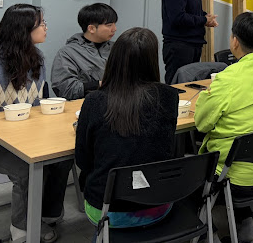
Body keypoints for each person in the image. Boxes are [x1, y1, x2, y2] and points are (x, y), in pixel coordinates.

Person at [195, 12, 253, 243]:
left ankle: (208, 234)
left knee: (191, 175)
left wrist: (205, 97)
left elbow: (202, 123)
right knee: (243, 146)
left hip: (236, 180)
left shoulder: (228, 78)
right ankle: (244, 222)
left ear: (235, 41)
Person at [75, 27, 178, 231]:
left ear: (114, 59)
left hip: (106, 210)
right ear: (152, 60)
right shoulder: (169, 96)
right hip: (157, 205)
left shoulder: (94, 101)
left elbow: (83, 160)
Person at [0, 4, 71, 243]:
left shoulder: (37, 58)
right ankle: (22, 231)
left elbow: (44, 99)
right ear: (23, 29)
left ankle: (45, 216)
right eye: (41, 24)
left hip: (31, 137)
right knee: (26, 169)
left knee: (62, 159)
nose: (46, 28)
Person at [51, 3, 118, 100]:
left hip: (120, 103)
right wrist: (98, 84)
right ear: (91, 28)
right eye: (109, 25)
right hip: (86, 104)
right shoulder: (68, 53)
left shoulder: (117, 48)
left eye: (115, 24)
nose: (114, 29)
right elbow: (64, 89)